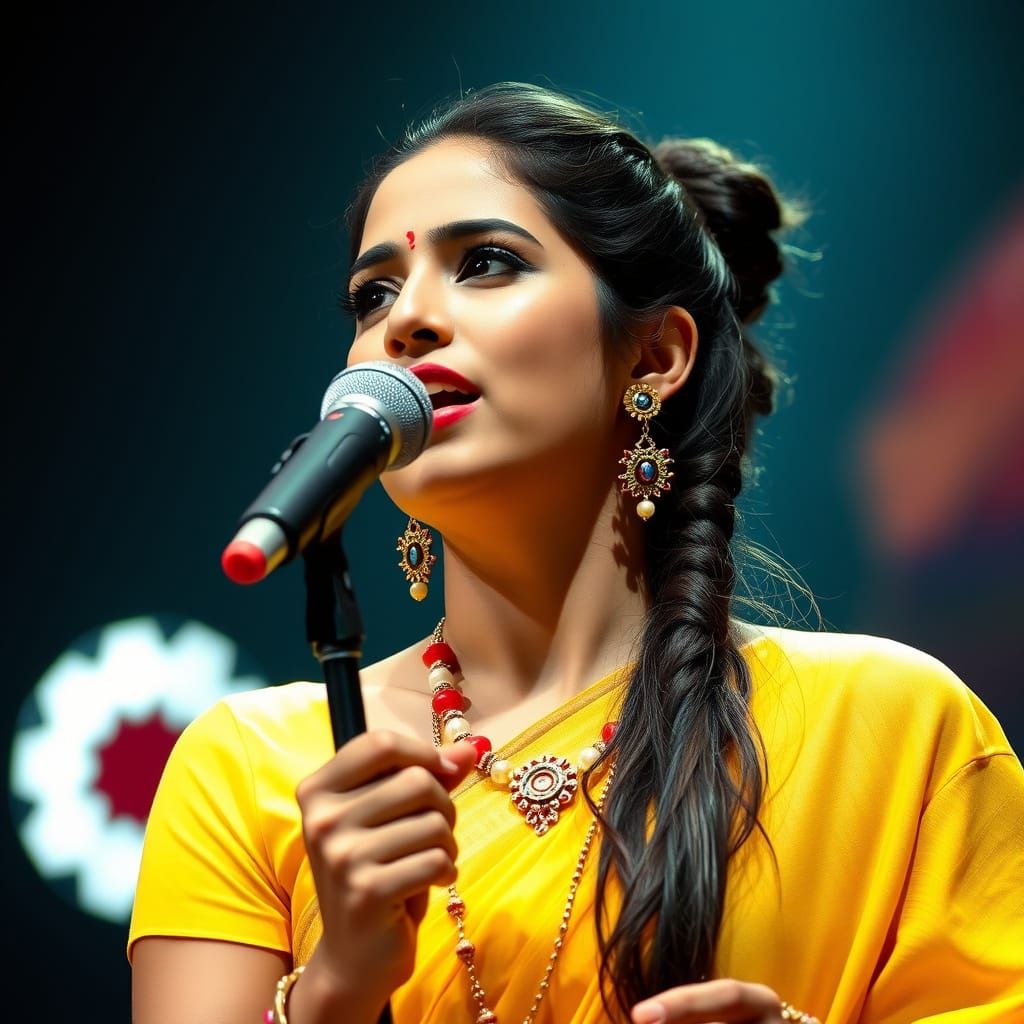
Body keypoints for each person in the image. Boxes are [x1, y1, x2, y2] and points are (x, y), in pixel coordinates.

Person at [128, 83, 1024, 1024]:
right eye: (373, 293)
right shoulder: (252, 765)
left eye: (485, 263)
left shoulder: (894, 726)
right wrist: (334, 987)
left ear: (654, 355)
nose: (406, 323)